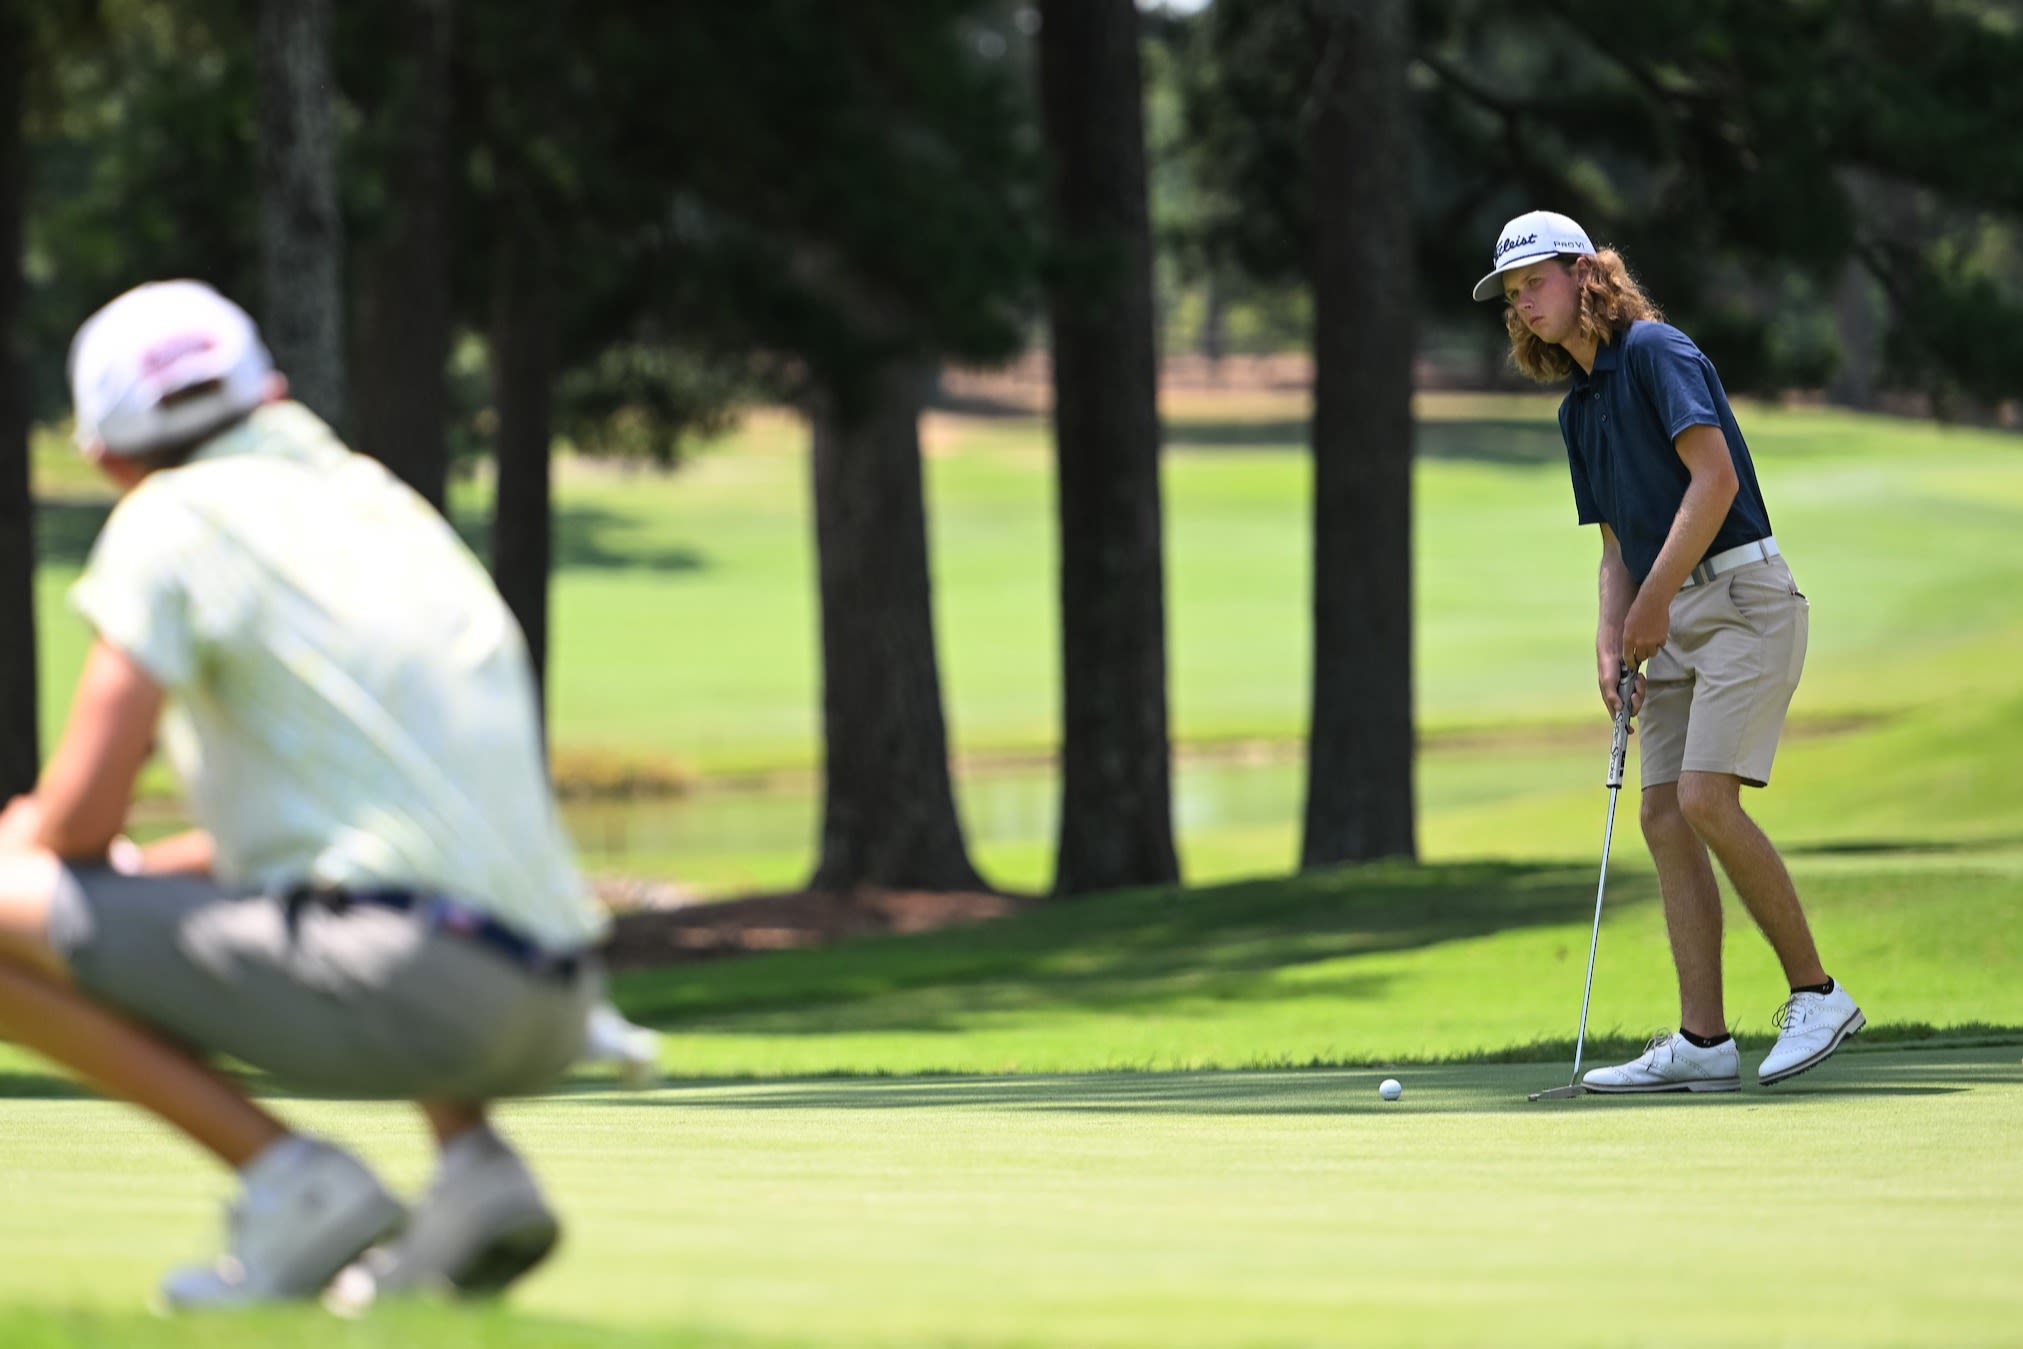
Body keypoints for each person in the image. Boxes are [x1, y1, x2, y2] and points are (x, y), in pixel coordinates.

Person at [0, 279, 608, 1306]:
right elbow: (341, 829)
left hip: (422, 987)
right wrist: (139, 872)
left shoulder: (168, 519)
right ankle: (476, 1169)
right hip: (558, 994)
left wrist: (25, 840)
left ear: (106, 457)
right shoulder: (377, 502)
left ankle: (295, 1182)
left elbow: (79, 822)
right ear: (272, 393)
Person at [1472, 212, 1864, 1093]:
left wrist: (1651, 605)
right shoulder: (1578, 409)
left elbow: (1714, 480)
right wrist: (1609, 640)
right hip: (1670, 616)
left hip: (1742, 601)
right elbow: (1615, 546)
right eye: (1511, 292)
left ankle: (1817, 994)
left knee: (1703, 798)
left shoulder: (1654, 351)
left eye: (1535, 281)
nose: (1522, 301)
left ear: (1583, 274)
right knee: (1661, 815)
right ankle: (1703, 1040)